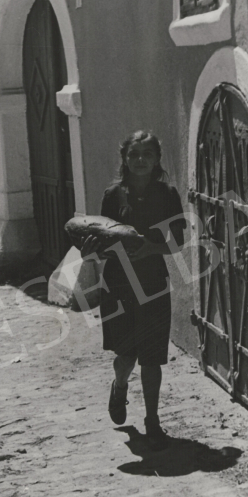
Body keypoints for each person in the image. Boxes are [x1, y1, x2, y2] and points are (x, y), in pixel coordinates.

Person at [81, 130, 186, 450]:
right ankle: (120, 385)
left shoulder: (168, 195)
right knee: (126, 354)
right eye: (134, 155)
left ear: (157, 160)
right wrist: (90, 250)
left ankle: (152, 420)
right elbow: (101, 239)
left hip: (153, 283)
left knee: (152, 357)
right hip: (119, 284)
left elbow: (178, 239)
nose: (141, 160)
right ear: (125, 159)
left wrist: (151, 250)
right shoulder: (113, 196)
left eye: (147, 155)